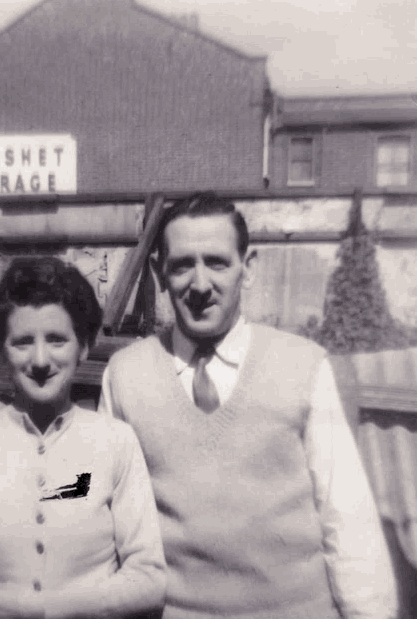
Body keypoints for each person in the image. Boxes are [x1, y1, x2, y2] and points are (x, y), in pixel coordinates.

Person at [99, 192, 398, 619]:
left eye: (217, 262)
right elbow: (96, 511)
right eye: (182, 265)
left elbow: (347, 520)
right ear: (159, 273)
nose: (200, 285)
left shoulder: (304, 367)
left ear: (248, 267)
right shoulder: (125, 376)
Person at [0, 257, 166, 619]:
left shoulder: (115, 444)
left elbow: (149, 579)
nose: (41, 359)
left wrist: (44, 607)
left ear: (84, 347)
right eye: (23, 342)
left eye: (58, 340)